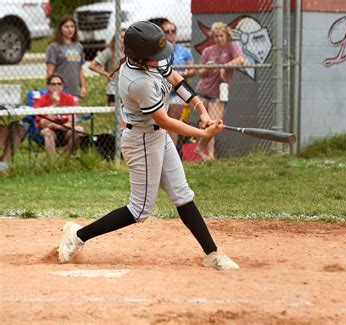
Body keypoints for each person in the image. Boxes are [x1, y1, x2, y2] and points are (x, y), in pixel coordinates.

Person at [57, 21, 239, 270]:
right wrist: (202, 132)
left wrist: (201, 108)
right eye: (154, 56)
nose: (159, 60)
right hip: (141, 140)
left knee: (182, 194)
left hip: (158, 136)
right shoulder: (136, 81)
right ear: (139, 57)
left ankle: (212, 253)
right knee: (139, 210)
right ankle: (77, 236)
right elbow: (164, 120)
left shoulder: (152, 60)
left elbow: (176, 80)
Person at [194, 21, 244, 161]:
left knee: (215, 123)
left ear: (226, 35)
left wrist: (224, 66)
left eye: (221, 35)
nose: (218, 39)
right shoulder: (208, 51)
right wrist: (209, 68)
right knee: (207, 123)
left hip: (219, 92)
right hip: (203, 90)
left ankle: (201, 149)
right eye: (215, 36)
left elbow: (240, 60)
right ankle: (209, 156)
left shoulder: (232, 47)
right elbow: (201, 73)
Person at [157, 19, 196, 147]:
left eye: (173, 31)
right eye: (167, 32)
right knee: (160, 123)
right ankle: (160, 149)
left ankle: (171, 151)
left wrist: (182, 75)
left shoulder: (184, 51)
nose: (170, 34)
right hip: (161, 91)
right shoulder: (158, 51)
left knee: (172, 122)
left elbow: (192, 71)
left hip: (178, 92)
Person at [34, 73, 83, 158]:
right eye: (53, 84)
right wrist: (54, 104)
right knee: (47, 132)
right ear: (48, 86)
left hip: (65, 130)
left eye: (59, 84)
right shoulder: (41, 100)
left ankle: (64, 160)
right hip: (49, 132)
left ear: (62, 86)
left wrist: (59, 126)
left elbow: (73, 121)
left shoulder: (69, 98)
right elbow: (44, 124)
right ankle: (53, 164)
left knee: (79, 130)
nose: (56, 86)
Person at [46, 15, 86, 102]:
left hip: (74, 90)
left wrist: (83, 86)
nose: (70, 29)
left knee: (72, 115)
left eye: (72, 26)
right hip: (60, 90)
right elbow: (50, 71)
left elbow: (80, 69)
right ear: (61, 28)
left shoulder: (78, 46)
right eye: (66, 27)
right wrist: (52, 89)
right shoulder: (54, 46)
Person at [88, 29, 126, 107]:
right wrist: (106, 73)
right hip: (113, 89)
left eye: (126, 37)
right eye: (121, 37)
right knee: (116, 115)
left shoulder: (130, 53)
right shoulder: (110, 51)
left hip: (126, 89)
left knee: (126, 115)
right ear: (116, 38)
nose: (123, 40)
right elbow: (92, 65)